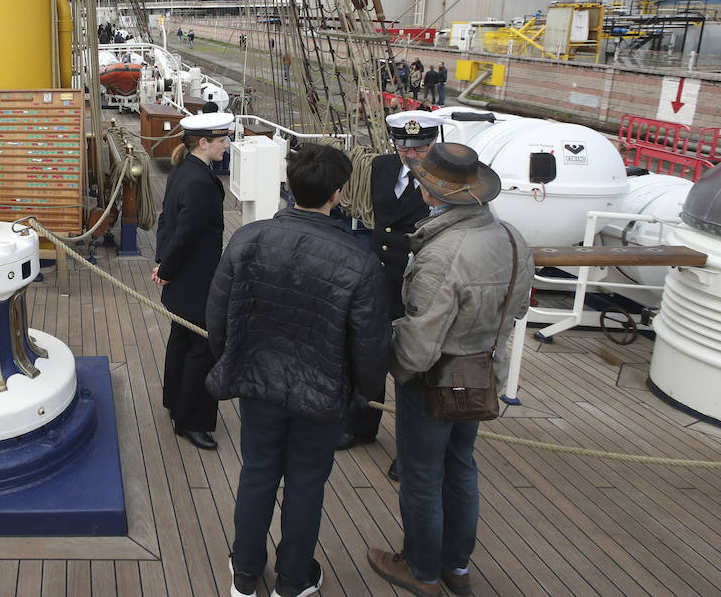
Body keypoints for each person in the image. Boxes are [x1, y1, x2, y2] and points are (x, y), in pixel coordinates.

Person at [207, 144, 391, 597]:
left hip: (259, 384)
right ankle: (293, 580)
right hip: (323, 393)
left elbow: (217, 317)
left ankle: (246, 574)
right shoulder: (359, 262)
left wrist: (236, 361)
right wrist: (362, 396)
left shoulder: (248, 240)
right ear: (337, 194)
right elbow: (370, 344)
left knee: (257, 473)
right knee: (307, 484)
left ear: (289, 186)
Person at [366, 143, 533, 597]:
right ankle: (456, 567)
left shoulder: (442, 253)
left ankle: (420, 571)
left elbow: (419, 343)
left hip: (433, 380)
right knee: (461, 467)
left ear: (429, 193)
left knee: (421, 475)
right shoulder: (514, 239)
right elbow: (517, 308)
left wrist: (393, 373)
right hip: (482, 373)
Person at [339, 110, 441, 455]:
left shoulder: (444, 181)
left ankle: (411, 450)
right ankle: (362, 426)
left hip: (419, 284)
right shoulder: (381, 167)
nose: (410, 155)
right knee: (368, 356)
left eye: (420, 149)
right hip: (379, 279)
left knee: (414, 370)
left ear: (434, 144)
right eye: (403, 147)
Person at [152, 111, 231, 451]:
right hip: (197, 281)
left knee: (182, 340)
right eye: (222, 140)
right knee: (203, 348)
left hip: (182, 279)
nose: (227, 146)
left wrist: (163, 264)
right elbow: (184, 234)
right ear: (203, 143)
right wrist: (166, 269)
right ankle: (192, 422)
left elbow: (165, 222)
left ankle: (174, 402)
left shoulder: (184, 171)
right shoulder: (199, 182)